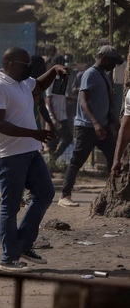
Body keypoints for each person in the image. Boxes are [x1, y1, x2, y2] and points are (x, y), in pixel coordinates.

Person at [0, 47, 63, 272]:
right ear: (9, 64)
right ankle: (8, 258)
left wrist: (54, 70)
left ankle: (23, 244)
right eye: (24, 63)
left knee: (45, 193)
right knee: (10, 206)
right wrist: (33, 133)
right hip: (7, 155)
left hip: (30, 151)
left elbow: (38, 84)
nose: (28, 67)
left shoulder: (23, 82)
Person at [58, 45, 124, 207]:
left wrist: (111, 120)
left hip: (103, 126)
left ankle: (114, 193)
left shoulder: (103, 75)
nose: (114, 66)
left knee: (114, 158)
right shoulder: (90, 74)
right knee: (77, 161)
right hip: (88, 127)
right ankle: (65, 195)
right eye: (113, 62)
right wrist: (95, 123)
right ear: (104, 58)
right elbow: (83, 101)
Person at [45, 54, 73, 162]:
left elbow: (60, 97)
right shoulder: (51, 79)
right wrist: (54, 118)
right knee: (65, 138)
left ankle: (51, 162)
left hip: (62, 115)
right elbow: (49, 100)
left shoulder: (62, 78)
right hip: (56, 117)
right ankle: (52, 160)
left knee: (55, 140)